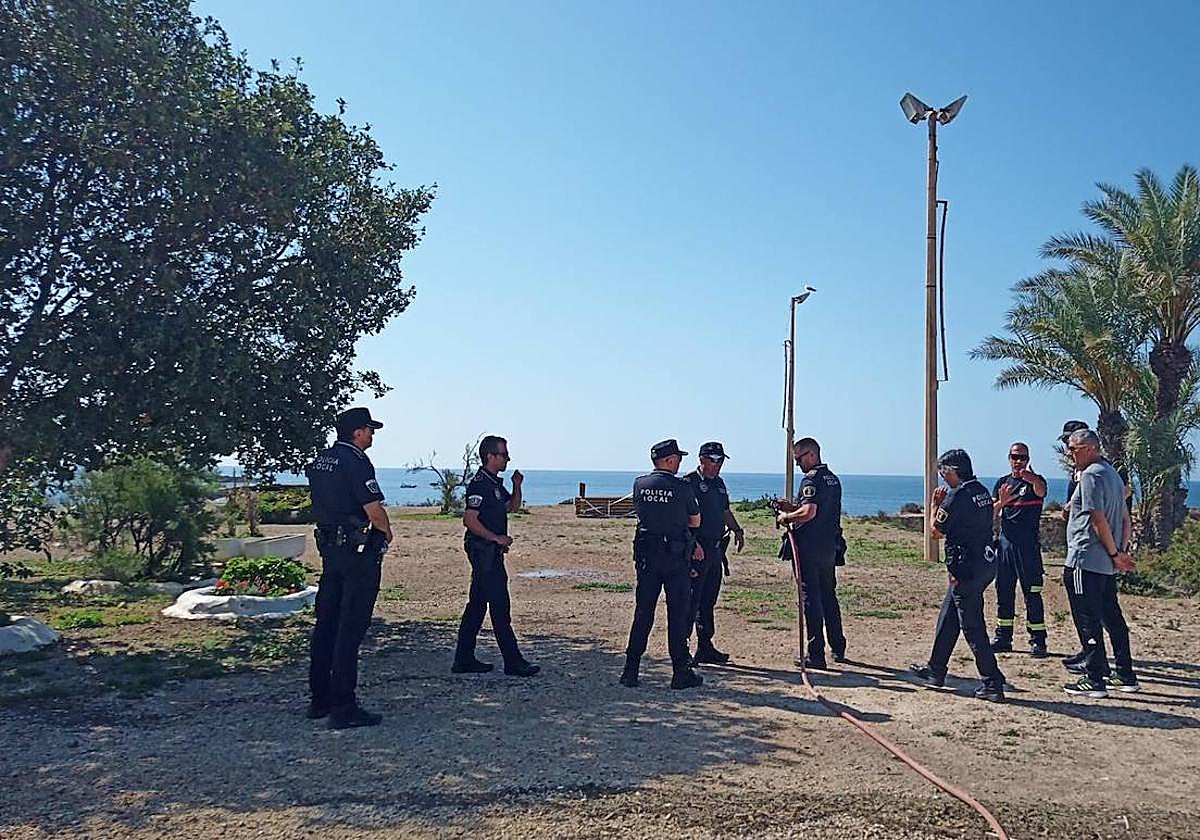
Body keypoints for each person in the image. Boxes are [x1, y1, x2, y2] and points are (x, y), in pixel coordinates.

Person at [306, 407, 393, 729]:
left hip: (330, 548)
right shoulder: (356, 461)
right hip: (356, 552)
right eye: (369, 430)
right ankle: (344, 705)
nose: (372, 436)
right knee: (351, 626)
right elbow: (373, 508)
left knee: (326, 623)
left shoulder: (320, 461)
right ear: (357, 432)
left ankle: (320, 698)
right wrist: (386, 532)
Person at [910, 449, 1006, 702]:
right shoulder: (983, 492)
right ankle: (935, 669)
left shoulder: (956, 496)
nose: (943, 479)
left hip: (965, 567)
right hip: (984, 562)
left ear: (952, 471)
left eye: (944, 473)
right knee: (949, 616)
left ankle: (992, 682)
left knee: (972, 625)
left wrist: (934, 505)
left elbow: (935, 532)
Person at [452, 435, 540, 677]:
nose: (507, 458)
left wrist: (517, 485)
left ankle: (463, 658)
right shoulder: (480, 484)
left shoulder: (493, 483)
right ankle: (513, 661)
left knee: (477, 605)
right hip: (483, 552)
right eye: (503, 454)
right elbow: (469, 519)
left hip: (489, 552)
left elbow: (511, 506)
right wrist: (495, 538)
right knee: (499, 605)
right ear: (490, 456)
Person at [621, 439, 704, 690]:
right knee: (677, 615)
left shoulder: (640, 484)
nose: (680, 462)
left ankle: (630, 670)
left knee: (643, 613)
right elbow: (695, 521)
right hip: (674, 558)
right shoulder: (682, 487)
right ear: (669, 460)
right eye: (677, 458)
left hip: (647, 557)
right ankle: (680, 672)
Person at [1062, 429, 1140, 697]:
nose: (1069, 454)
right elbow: (1125, 519)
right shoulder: (1114, 476)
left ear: (1090, 448)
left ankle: (1095, 678)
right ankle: (1125, 673)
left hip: (1086, 558)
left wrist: (1115, 553)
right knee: (1111, 616)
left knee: (1088, 619)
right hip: (1105, 561)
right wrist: (1119, 551)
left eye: (1073, 449)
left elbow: (1098, 519)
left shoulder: (1092, 475)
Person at [776, 437, 846, 669]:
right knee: (828, 596)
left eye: (799, 458)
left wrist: (786, 517)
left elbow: (809, 512)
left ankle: (816, 654)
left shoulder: (812, 479)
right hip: (829, 547)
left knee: (811, 599)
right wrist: (792, 507)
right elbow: (814, 508)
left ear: (812, 455)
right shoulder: (833, 480)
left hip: (809, 547)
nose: (797, 464)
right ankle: (838, 646)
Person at [685, 441, 745, 665]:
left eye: (721, 461)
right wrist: (692, 544)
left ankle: (705, 646)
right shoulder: (689, 483)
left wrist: (737, 529)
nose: (718, 465)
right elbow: (682, 519)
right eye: (714, 460)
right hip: (696, 550)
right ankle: (683, 649)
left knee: (708, 600)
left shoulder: (719, 484)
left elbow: (724, 510)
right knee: (691, 600)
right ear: (702, 460)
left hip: (716, 549)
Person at [991, 442, 1049, 657]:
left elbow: (1041, 491)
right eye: (1015, 457)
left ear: (1028, 459)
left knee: (1032, 593)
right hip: (1006, 546)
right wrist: (1002, 503)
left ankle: (1038, 640)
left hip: (1028, 548)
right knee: (1004, 592)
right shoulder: (1002, 483)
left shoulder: (1036, 482)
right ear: (1009, 458)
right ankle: (1003, 637)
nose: (1018, 462)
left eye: (1022, 457)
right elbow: (991, 511)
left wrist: (1032, 479)